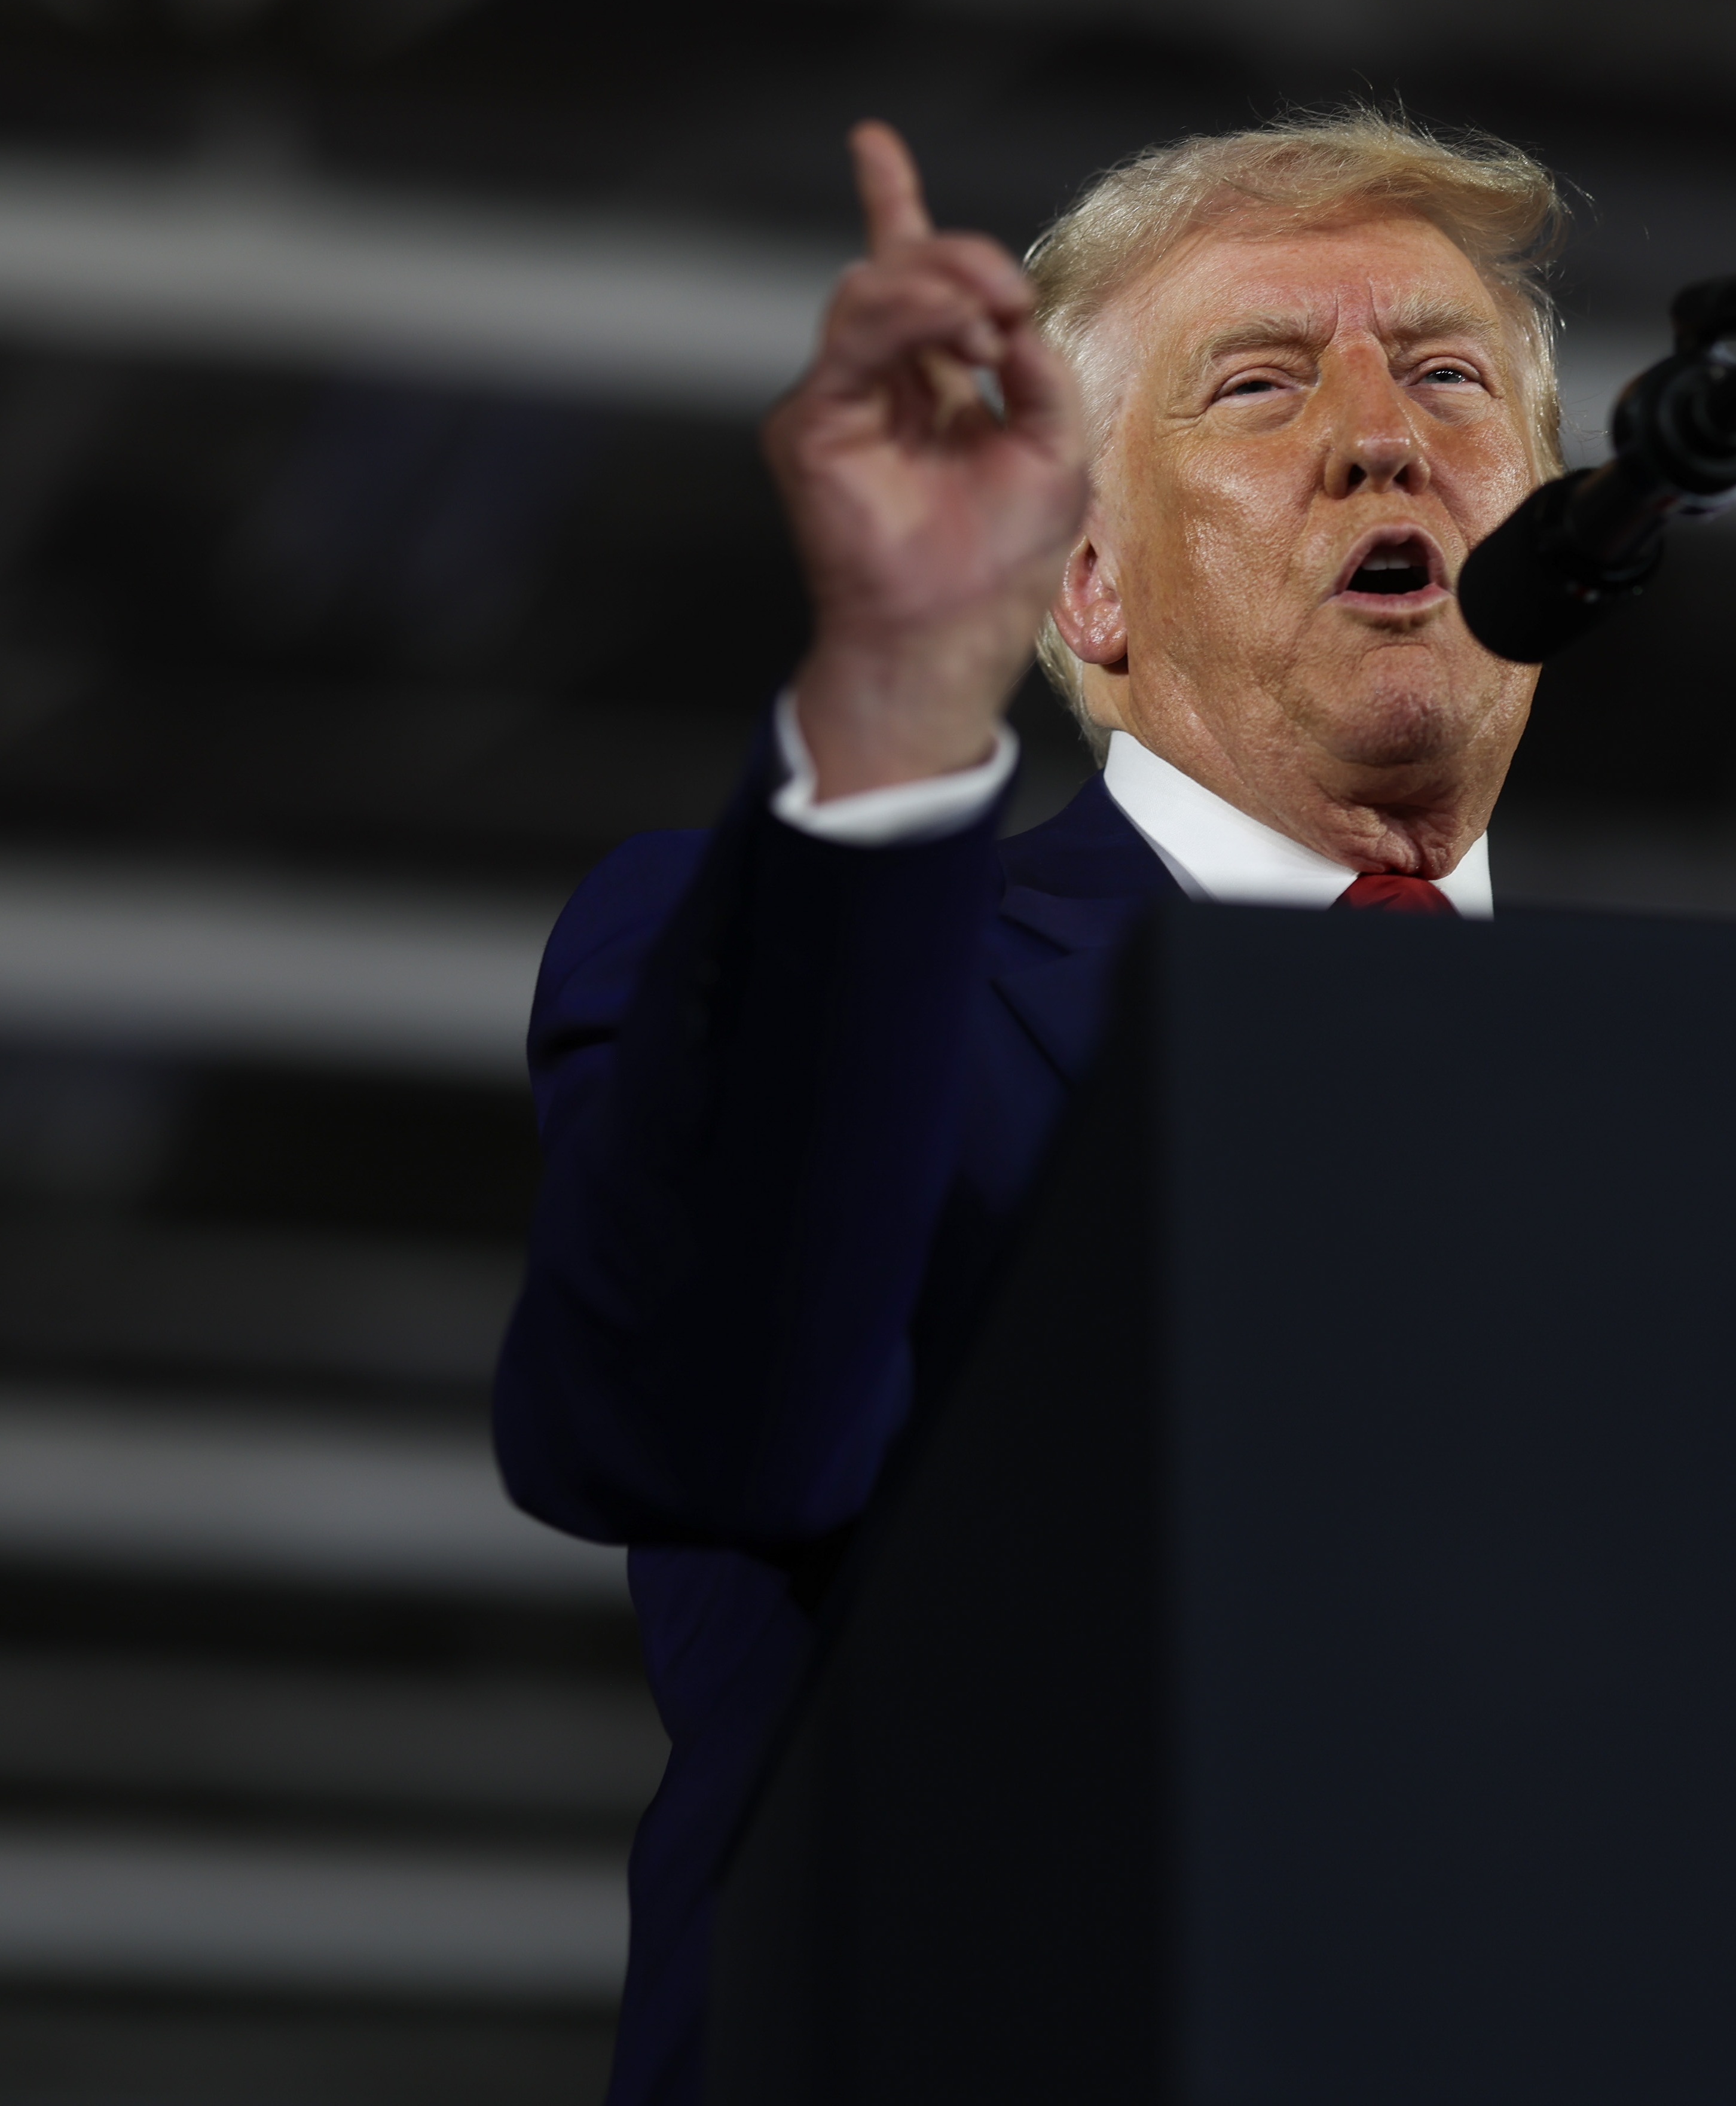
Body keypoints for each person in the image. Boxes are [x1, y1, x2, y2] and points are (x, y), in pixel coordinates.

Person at [493, 108, 1565, 2106]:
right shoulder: (836, 969)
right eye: (1259, 383)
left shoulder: (1708, 1108)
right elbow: (700, 1410)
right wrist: (903, 678)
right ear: (1082, 583)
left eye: (1444, 373)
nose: (1379, 431)